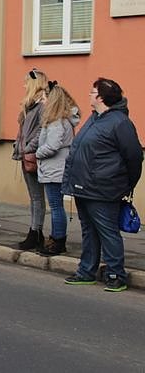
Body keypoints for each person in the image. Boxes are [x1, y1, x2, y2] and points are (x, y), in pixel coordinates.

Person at [62, 78, 142, 292]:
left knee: (108, 232)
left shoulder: (120, 122)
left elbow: (134, 157)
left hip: (104, 189)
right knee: (89, 231)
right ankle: (86, 272)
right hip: (84, 186)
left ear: (101, 97)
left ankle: (116, 275)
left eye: (92, 92)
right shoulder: (95, 118)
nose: (89, 94)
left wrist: (127, 184)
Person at [35, 81, 80, 255]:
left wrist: (37, 153)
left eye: (44, 98)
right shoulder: (64, 119)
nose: (42, 102)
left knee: (55, 206)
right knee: (57, 205)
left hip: (54, 169)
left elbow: (52, 146)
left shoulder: (56, 121)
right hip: (58, 167)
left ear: (52, 100)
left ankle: (58, 240)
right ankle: (56, 239)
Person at [13, 69, 48, 250]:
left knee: (37, 197)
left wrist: (28, 147)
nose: (24, 85)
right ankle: (34, 232)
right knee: (34, 197)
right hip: (25, 154)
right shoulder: (30, 105)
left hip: (32, 155)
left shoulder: (42, 105)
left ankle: (36, 233)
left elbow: (42, 130)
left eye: (27, 82)